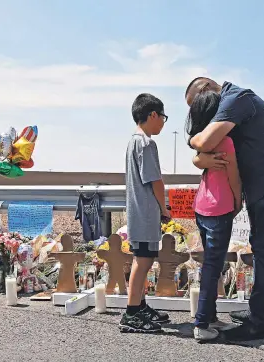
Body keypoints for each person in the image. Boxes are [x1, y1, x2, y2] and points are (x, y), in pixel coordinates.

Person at [185, 78, 264, 341]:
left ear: (206, 91)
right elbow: (204, 151)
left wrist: (194, 145)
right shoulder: (232, 102)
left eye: (197, 104)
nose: (198, 112)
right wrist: (197, 155)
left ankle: (261, 323)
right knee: (260, 246)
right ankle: (259, 312)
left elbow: (205, 141)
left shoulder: (236, 99)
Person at [185, 91, 242, 341]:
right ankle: (201, 324)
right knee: (213, 267)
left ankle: (211, 317)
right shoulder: (227, 142)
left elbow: (196, 158)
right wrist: (239, 199)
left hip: (202, 207)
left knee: (211, 265)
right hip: (220, 208)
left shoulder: (201, 143)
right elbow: (233, 177)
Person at [119, 93, 172, 333]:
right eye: (162, 117)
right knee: (144, 260)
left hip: (137, 211)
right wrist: (165, 208)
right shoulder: (147, 143)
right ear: (152, 115)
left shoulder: (133, 141)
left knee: (141, 259)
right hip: (146, 212)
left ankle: (139, 305)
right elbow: (156, 181)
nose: (162, 122)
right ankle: (131, 313)